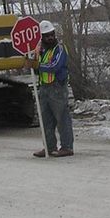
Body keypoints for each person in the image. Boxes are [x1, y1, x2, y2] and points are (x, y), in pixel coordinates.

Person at [24, 20, 74, 158]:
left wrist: (36, 65)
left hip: (57, 88)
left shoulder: (60, 49)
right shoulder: (41, 50)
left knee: (62, 119)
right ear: (42, 37)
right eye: (46, 35)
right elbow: (31, 61)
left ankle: (67, 147)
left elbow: (54, 66)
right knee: (46, 120)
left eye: (51, 34)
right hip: (44, 88)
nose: (50, 37)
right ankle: (49, 147)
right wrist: (30, 60)